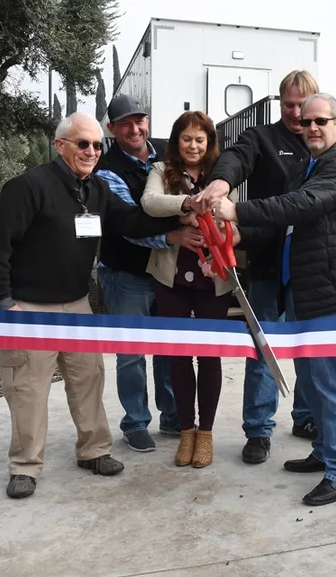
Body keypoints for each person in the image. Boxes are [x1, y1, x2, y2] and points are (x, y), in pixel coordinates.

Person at [0, 112, 187, 499]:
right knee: (27, 388)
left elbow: (131, 221)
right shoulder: (29, 186)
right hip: (28, 309)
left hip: (77, 305)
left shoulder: (95, 189)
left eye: (96, 145)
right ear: (60, 146)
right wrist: (4, 303)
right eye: (82, 143)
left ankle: (94, 451)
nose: (92, 151)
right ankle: (25, 466)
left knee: (88, 380)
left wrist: (180, 218)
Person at [212, 93, 336, 506]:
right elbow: (290, 220)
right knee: (316, 381)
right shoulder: (312, 165)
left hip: (334, 291)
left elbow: (301, 205)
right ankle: (325, 453)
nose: (313, 128)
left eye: (322, 120)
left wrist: (237, 212)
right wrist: (238, 233)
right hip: (310, 289)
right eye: (307, 122)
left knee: (335, 382)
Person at [194, 70, 320, 465]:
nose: (297, 113)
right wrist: (220, 184)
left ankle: (305, 418)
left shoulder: (324, 146)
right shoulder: (262, 138)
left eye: (304, 105)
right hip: (266, 262)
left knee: (308, 349)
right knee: (263, 348)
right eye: (289, 105)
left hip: (308, 265)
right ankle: (258, 431)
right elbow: (235, 158)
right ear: (279, 102)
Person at [141, 111, 235, 468]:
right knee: (178, 355)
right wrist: (186, 206)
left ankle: (206, 433)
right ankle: (185, 431)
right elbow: (149, 203)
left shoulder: (221, 177)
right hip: (171, 276)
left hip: (214, 275)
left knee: (209, 356)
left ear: (209, 143)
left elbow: (230, 212)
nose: (193, 145)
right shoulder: (161, 172)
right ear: (175, 141)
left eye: (201, 139)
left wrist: (212, 214)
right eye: (186, 138)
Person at [95, 94, 181, 453]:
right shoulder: (105, 168)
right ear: (112, 129)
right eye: (125, 123)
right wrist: (175, 232)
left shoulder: (167, 153)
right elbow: (127, 220)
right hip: (126, 272)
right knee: (131, 353)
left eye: (139, 120)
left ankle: (173, 417)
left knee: (169, 349)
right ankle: (135, 422)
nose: (135, 128)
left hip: (165, 271)